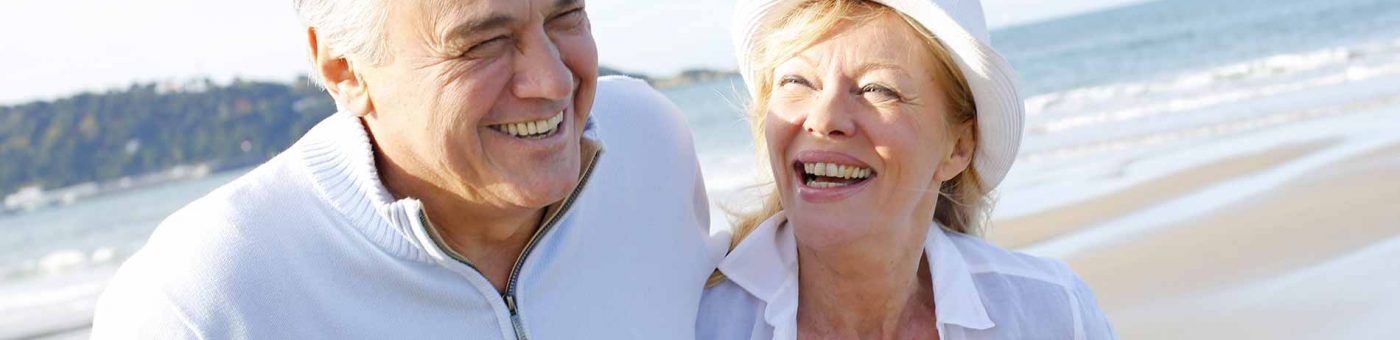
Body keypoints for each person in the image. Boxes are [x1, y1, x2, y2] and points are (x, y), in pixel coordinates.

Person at [91, 0, 722, 338]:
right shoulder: (202, 298)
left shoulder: (649, 141)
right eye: (482, 41)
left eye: (566, 15)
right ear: (342, 68)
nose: (554, 80)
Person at [699, 0, 1116, 338]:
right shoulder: (693, 321)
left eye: (876, 89)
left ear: (958, 147)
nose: (824, 119)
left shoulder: (1054, 315)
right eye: (798, 82)